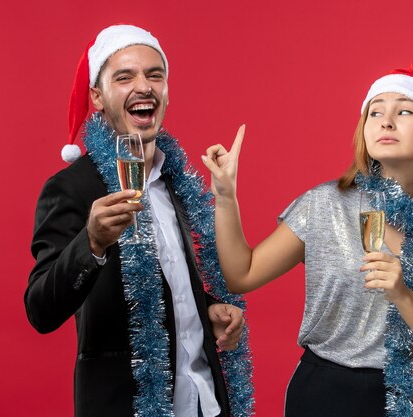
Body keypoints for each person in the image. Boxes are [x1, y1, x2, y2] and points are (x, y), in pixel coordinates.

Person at [202, 60, 413, 417]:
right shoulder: (325, 204)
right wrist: (226, 197)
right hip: (325, 395)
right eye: (375, 112)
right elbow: (240, 274)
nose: (386, 121)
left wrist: (403, 295)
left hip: (410, 398)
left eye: (404, 111)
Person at [24, 24, 253, 417]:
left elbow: (173, 286)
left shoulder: (177, 182)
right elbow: (40, 310)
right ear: (97, 96)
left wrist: (209, 310)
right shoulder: (71, 189)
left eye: (155, 75)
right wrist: (91, 243)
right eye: (124, 77)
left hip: (204, 403)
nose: (143, 86)